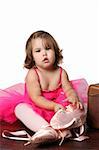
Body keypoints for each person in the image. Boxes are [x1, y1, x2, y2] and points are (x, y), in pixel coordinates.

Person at [0, 30, 86, 145]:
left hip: (59, 109)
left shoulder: (61, 72)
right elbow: (36, 98)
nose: (44, 54)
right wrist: (53, 106)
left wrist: (72, 97)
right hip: (38, 106)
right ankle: (47, 129)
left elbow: (68, 89)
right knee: (20, 108)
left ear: (55, 51)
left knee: (81, 104)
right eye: (38, 51)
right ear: (32, 56)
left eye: (48, 49)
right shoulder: (33, 74)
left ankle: (66, 127)